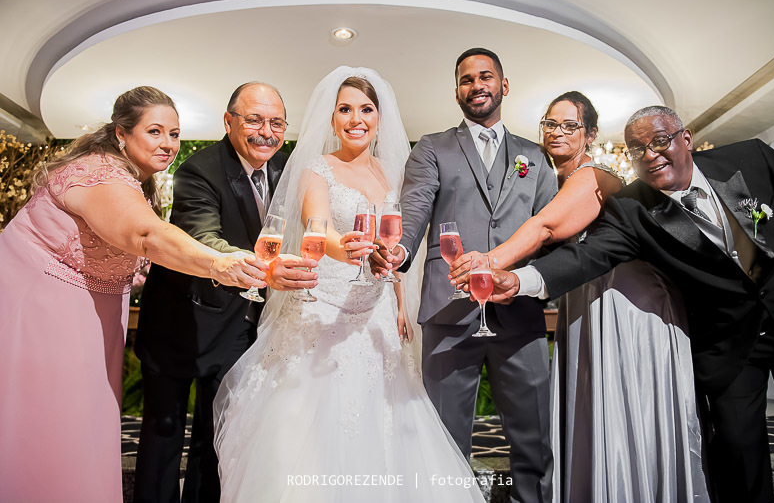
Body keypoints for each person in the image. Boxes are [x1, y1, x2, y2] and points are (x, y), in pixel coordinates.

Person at [491, 105, 774, 502]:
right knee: (739, 459)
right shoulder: (632, 209)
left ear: (685, 139)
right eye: (637, 151)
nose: (650, 156)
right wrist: (519, 279)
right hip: (731, 346)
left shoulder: (750, 157)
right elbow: (586, 257)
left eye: (660, 141)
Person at [213, 66, 485, 502]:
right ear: (332, 117)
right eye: (345, 109)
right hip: (322, 308)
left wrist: (399, 302)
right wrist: (350, 247)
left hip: (376, 310)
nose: (355, 119)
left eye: (365, 109)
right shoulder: (316, 170)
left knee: (387, 423)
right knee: (311, 428)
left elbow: (399, 245)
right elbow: (318, 228)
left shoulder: (396, 173)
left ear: (380, 117)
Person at [0, 86, 269, 503]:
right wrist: (222, 264)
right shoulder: (99, 173)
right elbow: (145, 234)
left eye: (175, 134)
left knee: (83, 425)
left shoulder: (135, 182)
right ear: (122, 134)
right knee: (52, 423)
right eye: (155, 131)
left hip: (93, 319)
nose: (168, 144)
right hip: (43, 313)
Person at [450, 92, 709, 502]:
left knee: (623, 414)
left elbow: (546, 228)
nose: (556, 132)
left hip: (622, 305)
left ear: (589, 135)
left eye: (569, 125)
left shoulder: (596, 176)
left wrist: (488, 260)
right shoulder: (546, 180)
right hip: (580, 302)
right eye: (550, 124)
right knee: (589, 413)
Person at [371, 48, 558, 503]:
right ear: (456, 90)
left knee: (532, 438)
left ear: (503, 86)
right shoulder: (432, 147)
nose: (476, 86)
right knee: (444, 437)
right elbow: (414, 211)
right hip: (449, 307)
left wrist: (526, 280)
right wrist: (397, 250)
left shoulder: (534, 156)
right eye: (466, 80)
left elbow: (551, 231)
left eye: (485, 77)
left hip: (519, 312)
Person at [133, 83, 317, 503]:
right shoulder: (199, 170)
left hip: (241, 329)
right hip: (182, 323)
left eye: (276, 123)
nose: (265, 132)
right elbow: (204, 239)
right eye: (253, 120)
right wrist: (265, 270)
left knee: (217, 438)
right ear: (229, 121)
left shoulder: (288, 168)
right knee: (163, 436)